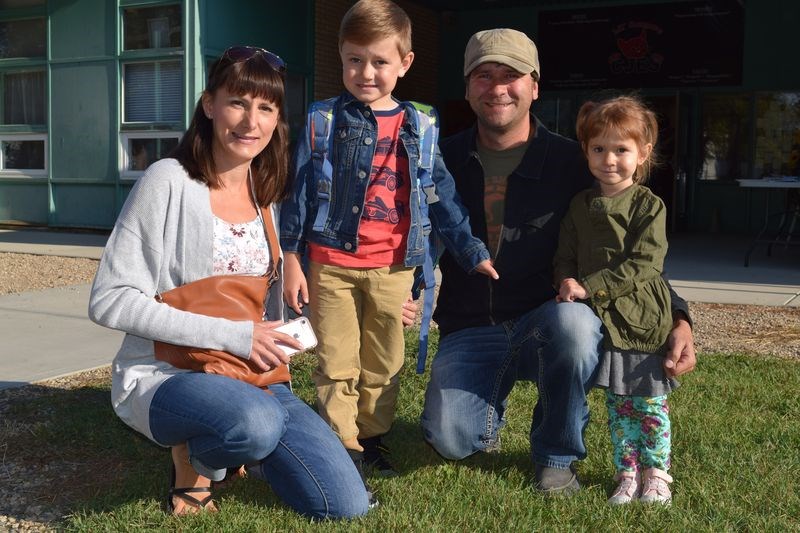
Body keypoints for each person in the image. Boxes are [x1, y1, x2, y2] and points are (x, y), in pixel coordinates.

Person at [88, 46, 370, 519]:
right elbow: (110, 300)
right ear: (209, 104)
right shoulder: (168, 181)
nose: (250, 121)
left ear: (277, 118)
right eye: (237, 102)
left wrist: (289, 321)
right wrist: (235, 336)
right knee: (255, 424)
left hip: (250, 375)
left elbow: (256, 302)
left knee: (343, 504)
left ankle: (234, 444)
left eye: (266, 108)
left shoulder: (265, 190)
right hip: (171, 372)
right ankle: (196, 458)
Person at [417, 28, 697, 495]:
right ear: (467, 87)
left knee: (575, 326)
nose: (497, 88)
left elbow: (633, 253)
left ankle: (556, 453)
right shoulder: (440, 159)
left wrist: (680, 317)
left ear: (535, 86)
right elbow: (407, 238)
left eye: (512, 75)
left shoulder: (576, 162)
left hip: (547, 318)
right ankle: (486, 407)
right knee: (450, 439)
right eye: (484, 76)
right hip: (470, 326)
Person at [280, 0, 497, 486]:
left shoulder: (420, 125)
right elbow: (297, 193)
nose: (366, 72)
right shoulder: (322, 120)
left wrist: (470, 251)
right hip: (329, 263)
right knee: (337, 359)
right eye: (355, 59)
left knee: (384, 360)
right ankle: (344, 444)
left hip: (395, 268)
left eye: (380, 61)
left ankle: (373, 436)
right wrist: (291, 258)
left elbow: (441, 195)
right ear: (340, 57)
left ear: (405, 63)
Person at [554, 95, 679, 504]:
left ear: (642, 154)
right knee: (619, 405)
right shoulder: (580, 205)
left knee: (649, 404)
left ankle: (656, 473)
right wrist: (566, 281)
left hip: (643, 320)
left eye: (621, 149)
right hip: (604, 324)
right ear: (586, 151)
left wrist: (591, 286)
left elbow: (645, 263)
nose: (609, 159)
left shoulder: (649, 206)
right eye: (599, 149)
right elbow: (566, 255)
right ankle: (626, 473)